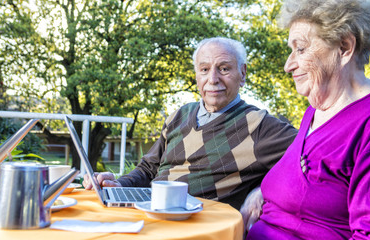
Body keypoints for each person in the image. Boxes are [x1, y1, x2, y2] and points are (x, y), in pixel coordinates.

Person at [244, 0, 370, 239]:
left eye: (301, 49)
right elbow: (302, 186)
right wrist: (262, 192)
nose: (288, 65)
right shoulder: (316, 111)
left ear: (345, 47)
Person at [83, 37, 298, 209]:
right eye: (204, 70)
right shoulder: (179, 116)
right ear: (197, 76)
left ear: (242, 74)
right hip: (148, 210)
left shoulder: (259, 126)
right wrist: (118, 184)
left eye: (224, 68)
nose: (213, 79)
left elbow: (315, 152)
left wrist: (263, 190)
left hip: (197, 225)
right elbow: (148, 169)